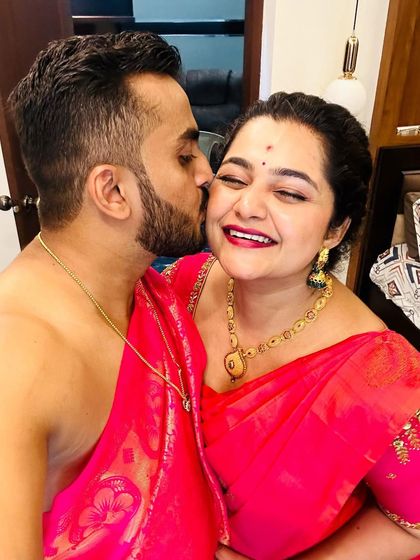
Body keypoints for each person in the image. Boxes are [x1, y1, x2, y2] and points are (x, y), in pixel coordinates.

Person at [0, 32, 229, 559]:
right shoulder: (19, 357)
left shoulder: (144, 284)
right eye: (184, 155)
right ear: (113, 191)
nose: (206, 173)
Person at [163, 92, 420, 559]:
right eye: (234, 178)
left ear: (335, 229)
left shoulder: (384, 377)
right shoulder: (178, 288)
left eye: (289, 193)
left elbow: (413, 524)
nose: (247, 206)